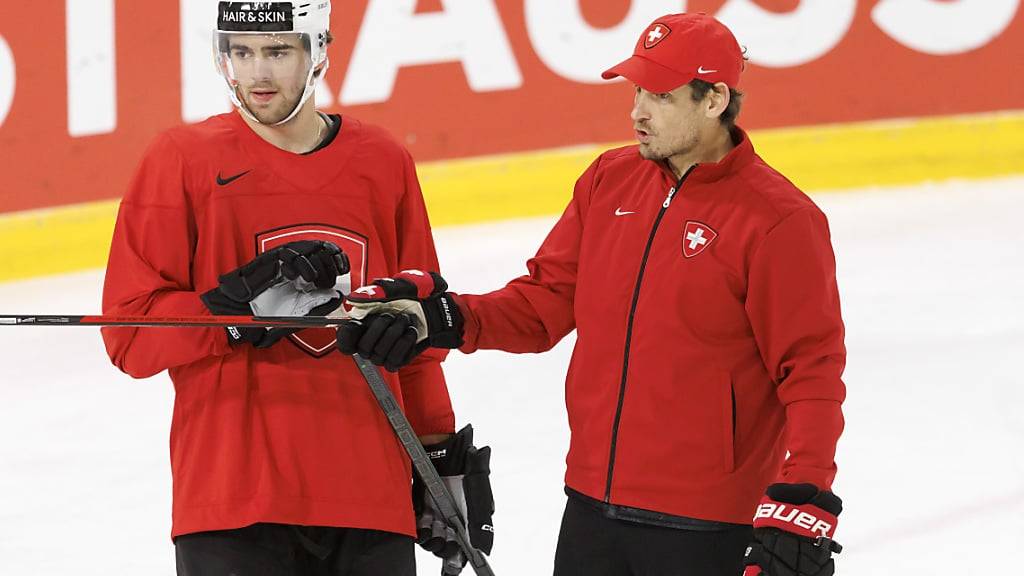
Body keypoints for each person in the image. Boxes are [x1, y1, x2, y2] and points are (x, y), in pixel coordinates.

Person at [337, 12, 846, 576]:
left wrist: (803, 497)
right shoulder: (608, 181)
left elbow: (812, 371)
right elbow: (543, 305)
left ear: (714, 99)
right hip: (591, 510)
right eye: (636, 91)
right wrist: (442, 318)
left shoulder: (779, 220)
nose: (637, 111)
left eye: (660, 95)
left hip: (707, 523)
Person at [100, 2, 492, 574]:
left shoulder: (382, 163)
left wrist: (438, 460)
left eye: (278, 51)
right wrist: (227, 314)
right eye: (242, 52)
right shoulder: (181, 161)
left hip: (370, 499)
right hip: (234, 503)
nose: (257, 73)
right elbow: (128, 338)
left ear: (320, 50)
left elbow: (417, 339)